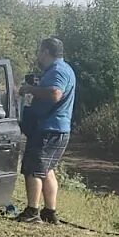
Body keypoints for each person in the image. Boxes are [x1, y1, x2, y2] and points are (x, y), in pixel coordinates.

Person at [17, 37, 77, 224]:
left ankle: (32, 212)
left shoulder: (57, 71)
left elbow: (55, 93)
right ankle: (49, 212)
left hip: (48, 128)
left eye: (40, 51)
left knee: (33, 169)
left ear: (45, 52)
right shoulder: (64, 69)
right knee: (47, 169)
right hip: (58, 129)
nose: (38, 55)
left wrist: (30, 89)